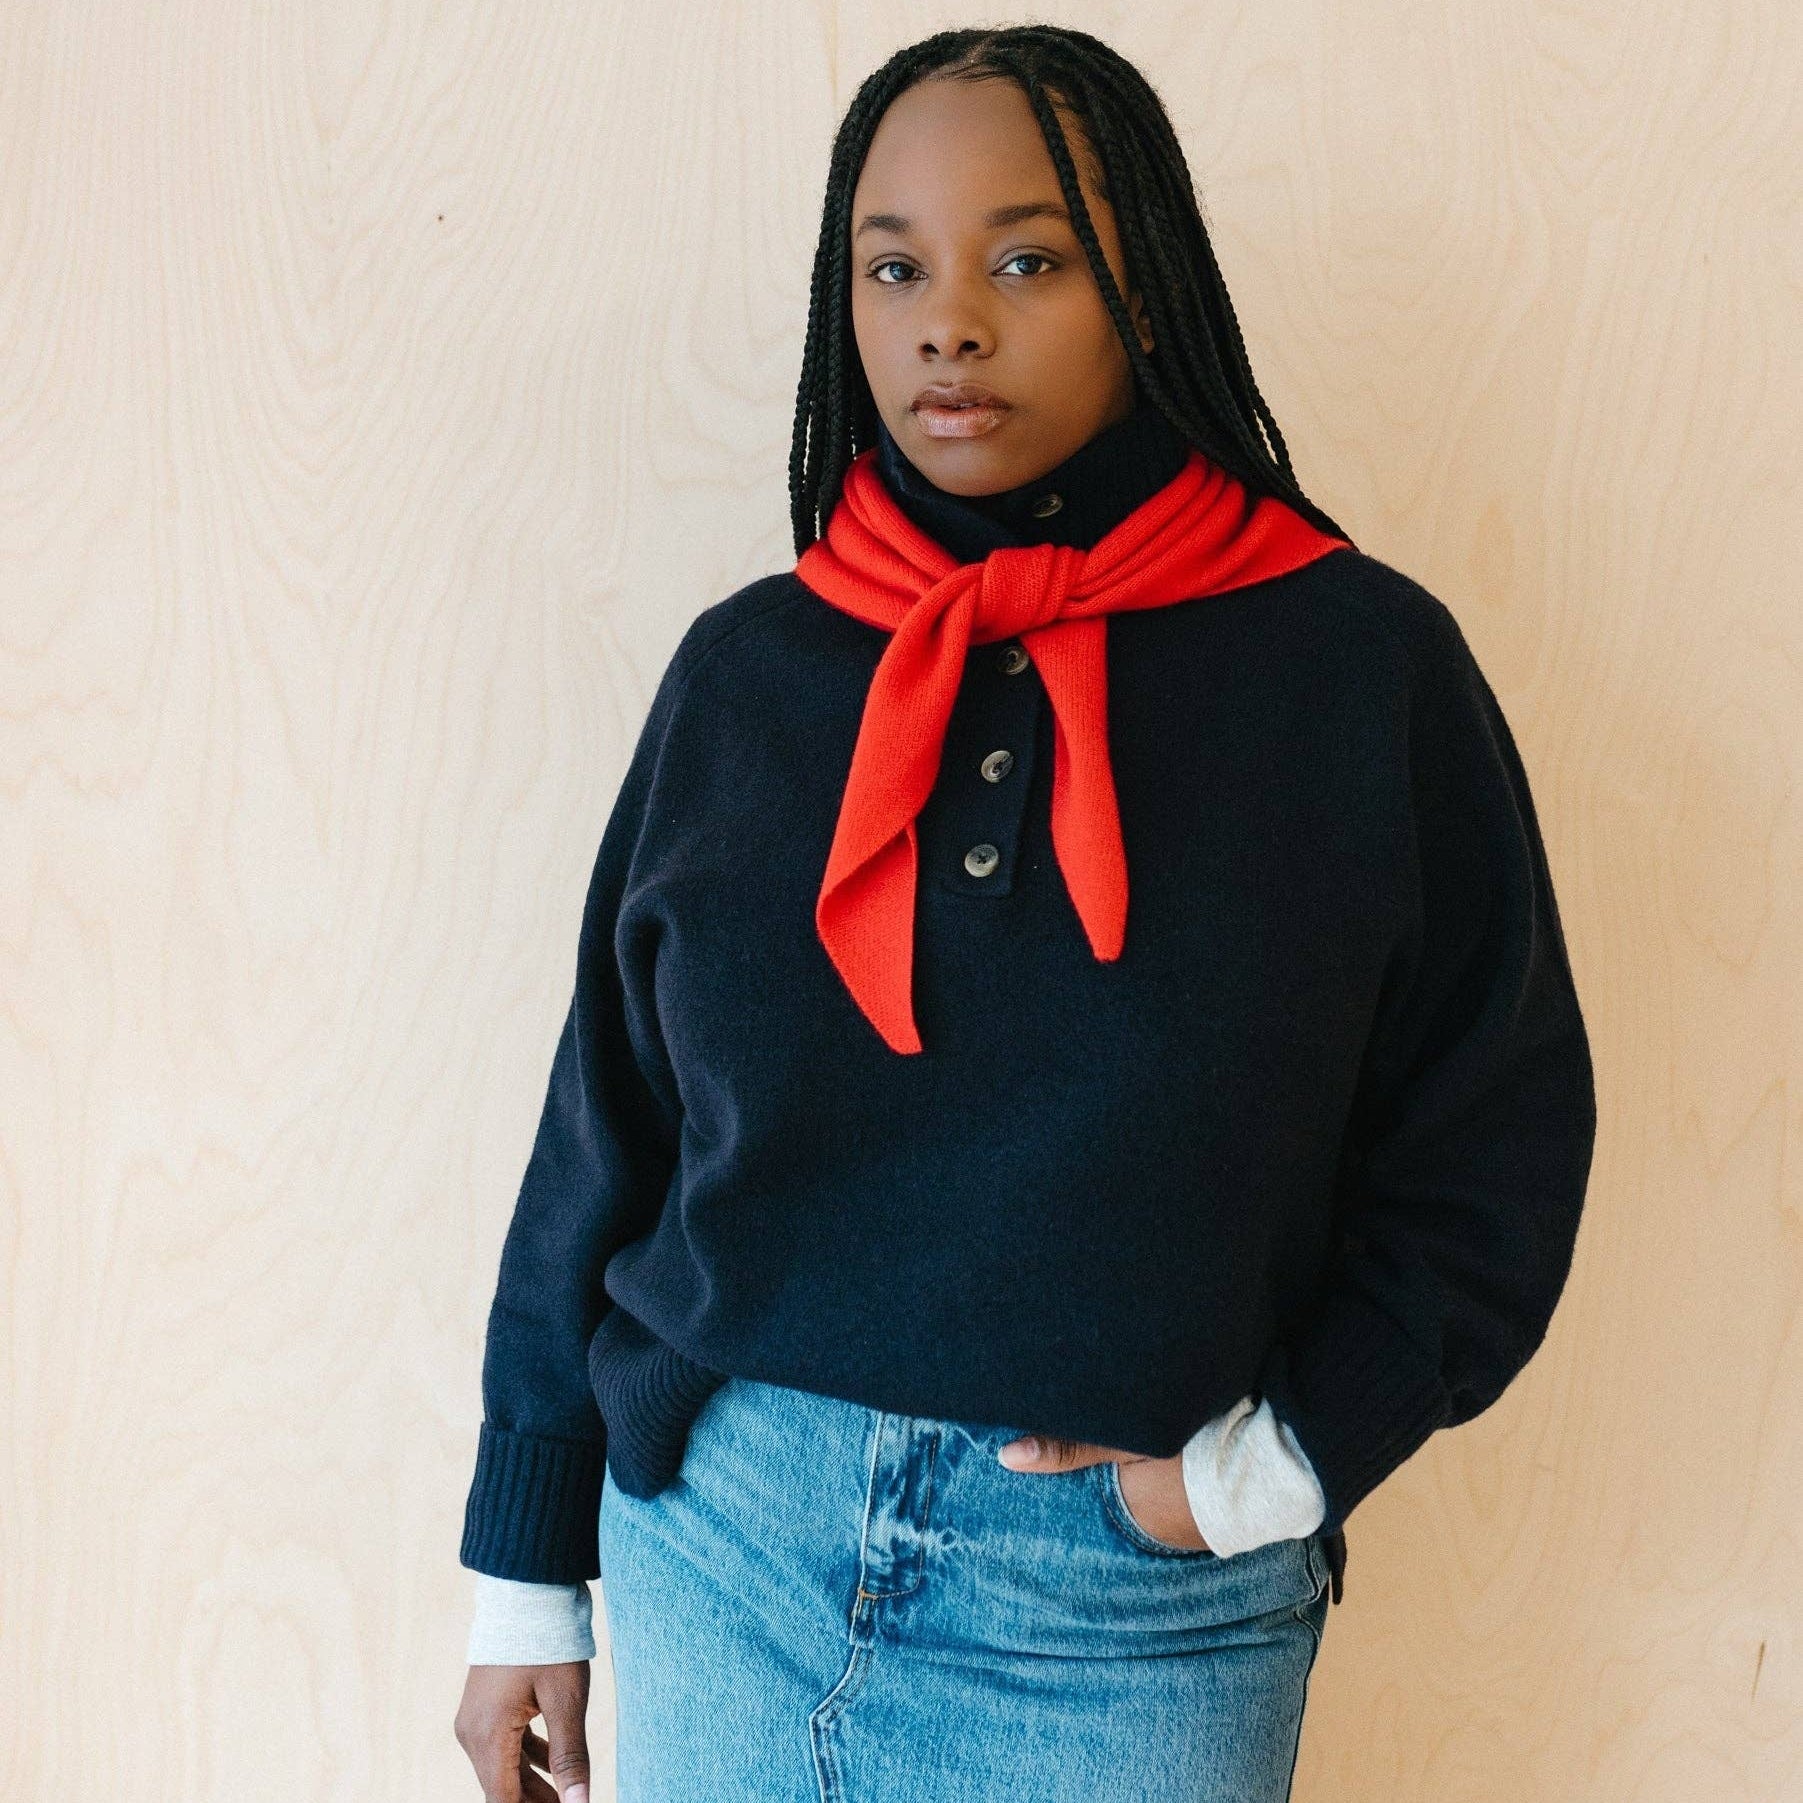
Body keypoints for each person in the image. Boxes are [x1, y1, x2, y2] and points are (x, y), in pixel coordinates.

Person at [452, 25, 1596, 1803]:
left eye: (1028, 258)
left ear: (1149, 284)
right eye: (893, 264)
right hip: (723, 1548)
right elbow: (608, 1121)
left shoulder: (1356, 668)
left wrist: (1274, 1467)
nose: (948, 321)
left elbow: (1496, 1138)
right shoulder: (754, 671)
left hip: (1132, 1607)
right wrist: (527, 1572)